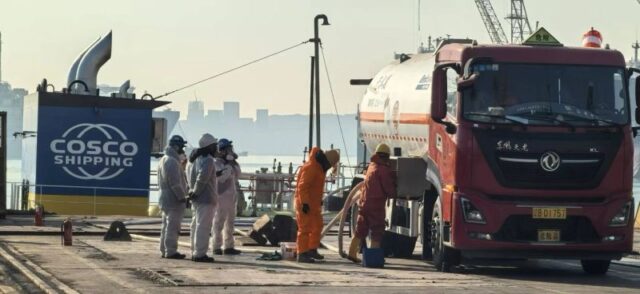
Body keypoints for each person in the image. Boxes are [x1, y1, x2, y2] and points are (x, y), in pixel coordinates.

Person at [348, 143, 396, 263]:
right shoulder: (383, 170)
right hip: (376, 205)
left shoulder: (371, 166)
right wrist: (394, 192)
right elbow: (388, 188)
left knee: (360, 230)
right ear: (387, 156)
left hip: (364, 203)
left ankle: (351, 253)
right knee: (376, 231)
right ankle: (373, 257)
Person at [295, 147, 340, 263]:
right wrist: (304, 203)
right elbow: (302, 187)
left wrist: (318, 200)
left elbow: (315, 188)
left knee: (318, 225)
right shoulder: (311, 168)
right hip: (304, 204)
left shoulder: (319, 168)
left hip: (313, 204)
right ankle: (302, 253)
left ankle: (311, 249)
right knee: (304, 228)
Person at [187, 133, 218, 263]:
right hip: (205, 198)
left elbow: (192, 177)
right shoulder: (209, 160)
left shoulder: (196, 159)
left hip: (197, 198)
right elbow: (202, 178)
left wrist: (193, 192)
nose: (216, 148)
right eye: (214, 145)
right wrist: (196, 191)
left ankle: (195, 250)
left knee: (196, 225)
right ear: (209, 146)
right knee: (203, 227)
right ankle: (200, 254)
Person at [158, 135, 189, 259]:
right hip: (173, 199)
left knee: (165, 226)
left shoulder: (165, 159)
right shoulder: (171, 161)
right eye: (181, 147)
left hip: (165, 198)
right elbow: (175, 183)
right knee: (172, 227)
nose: (183, 150)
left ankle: (164, 249)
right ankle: (170, 251)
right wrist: (182, 197)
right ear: (176, 147)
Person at [212, 138, 242, 255]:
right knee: (219, 222)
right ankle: (216, 246)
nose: (230, 151)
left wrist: (233, 162)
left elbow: (238, 174)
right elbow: (221, 178)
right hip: (221, 196)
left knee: (230, 223)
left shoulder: (231, 163)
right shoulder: (216, 163)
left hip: (231, 196)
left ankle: (229, 246)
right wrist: (228, 165)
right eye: (228, 149)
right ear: (222, 150)